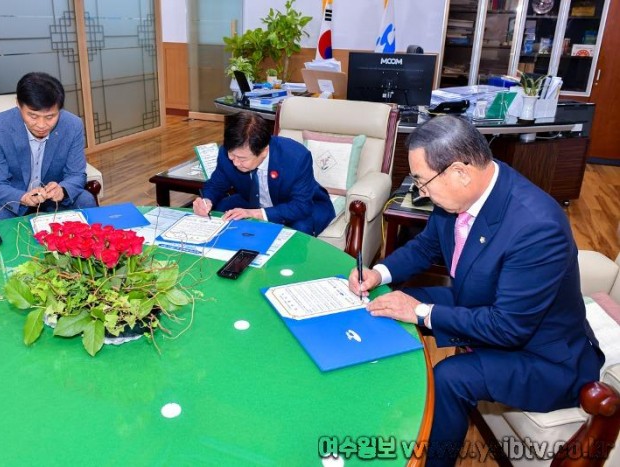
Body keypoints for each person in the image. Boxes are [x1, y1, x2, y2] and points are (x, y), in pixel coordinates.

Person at [348, 115, 603, 465]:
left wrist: (420, 312)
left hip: (544, 356)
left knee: (450, 377)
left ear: (459, 172)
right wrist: (378, 273)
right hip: (486, 305)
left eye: (422, 181)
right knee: (386, 303)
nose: (420, 192)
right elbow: (426, 248)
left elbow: (509, 327)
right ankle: (379, 406)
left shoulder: (537, 227)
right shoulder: (461, 194)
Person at [0, 72, 96, 223]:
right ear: (18, 104)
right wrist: (23, 197)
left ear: (59, 109)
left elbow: (77, 174)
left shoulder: (72, 126)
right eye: (33, 116)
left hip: (53, 199)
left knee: (85, 199)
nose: (42, 125)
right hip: (15, 197)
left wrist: (62, 190)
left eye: (50, 117)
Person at [192, 111, 335, 236]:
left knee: (301, 227)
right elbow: (216, 185)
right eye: (232, 155)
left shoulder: (296, 157)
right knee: (222, 209)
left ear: (264, 151)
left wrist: (255, 213)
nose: (235, 162)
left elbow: (301, 206)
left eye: (242, 159)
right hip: (252, 199)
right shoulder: (228, 152)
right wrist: (207, 201)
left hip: (297, 204)